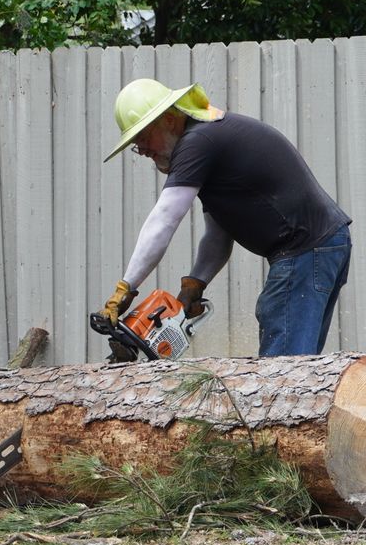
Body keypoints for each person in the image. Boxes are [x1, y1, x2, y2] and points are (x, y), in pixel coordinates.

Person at [94, 78, 351, 357]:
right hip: (320, 245)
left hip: (305, 249)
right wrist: (195, 284)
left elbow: (164, 219)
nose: (141, 149)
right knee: (299, 362)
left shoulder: (197, 143)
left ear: (169, 119)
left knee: (284, 366)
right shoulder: (209, 142)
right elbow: (218, 235)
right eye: (135, 143)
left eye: (142, 137)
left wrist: (125, 289)